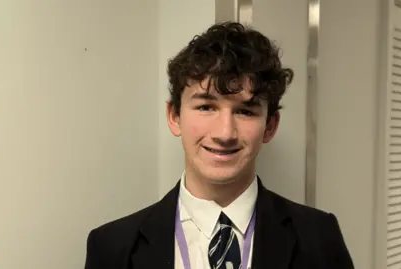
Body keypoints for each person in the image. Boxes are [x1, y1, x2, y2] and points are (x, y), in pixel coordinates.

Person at [84, 22, 354, 269]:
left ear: (270, 126)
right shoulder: (112, 247)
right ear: (174, 116)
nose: (225, 133)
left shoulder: (319, 237)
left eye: (245, 111)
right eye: (206, 107)